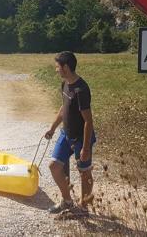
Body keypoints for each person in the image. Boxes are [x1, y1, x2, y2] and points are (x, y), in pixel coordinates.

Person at [44, 51, 96, 214]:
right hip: (65, 134)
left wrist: (85, 148)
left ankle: (84, 207)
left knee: (84, 172)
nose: (56, 70)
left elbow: (88, 120)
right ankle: (67, 201)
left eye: (57, 67)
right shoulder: (65, 83)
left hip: (81, 138)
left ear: (65, 67)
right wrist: (52, 128)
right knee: (54, 166)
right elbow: (63, 109)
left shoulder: (81, 89)